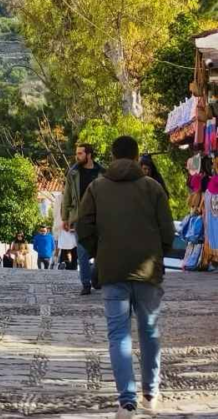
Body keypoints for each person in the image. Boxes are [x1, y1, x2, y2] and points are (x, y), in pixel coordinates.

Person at [77, 135, 174, 418]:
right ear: (136, 156)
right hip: (148, 271)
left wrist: (101, 250)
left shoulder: (96, 187)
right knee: (149, 330)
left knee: (118, 334)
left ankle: (126, 400)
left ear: (112, 155)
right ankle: (151, 392)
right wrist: (156, 253)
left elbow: (84, 228)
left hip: (112, 271)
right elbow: (168, 231)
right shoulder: (153, 188)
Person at [62, 143, 104, 295]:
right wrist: (65, 218)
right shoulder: (73, 173)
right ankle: (86, 284)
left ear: (89, 155)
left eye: (80, 153)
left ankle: (95, 276)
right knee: (82, 253)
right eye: (77, 153)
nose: (77, 156)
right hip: (80, 218)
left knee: (102, 252)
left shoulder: (102, 172)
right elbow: (66, 196)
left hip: (99, 218)